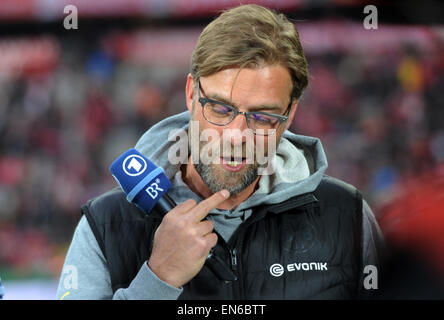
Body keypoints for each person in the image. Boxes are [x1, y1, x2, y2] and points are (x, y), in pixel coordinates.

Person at [56, 4, 384, 300]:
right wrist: (158, 279)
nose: (236, 135)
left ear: (291, 113)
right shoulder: (105, 225)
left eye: (263, 117)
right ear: (190, 94)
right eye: (220, 108)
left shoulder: (348, 216)